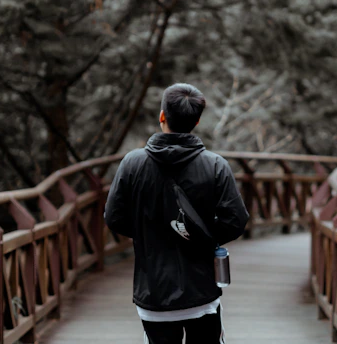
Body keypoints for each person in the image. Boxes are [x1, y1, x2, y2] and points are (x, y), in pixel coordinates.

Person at [104, 83, 249, 344]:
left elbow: (114, 216)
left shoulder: (132, 163)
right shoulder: (215, 165)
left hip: (153, 292)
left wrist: (148, 234)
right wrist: (200, 236)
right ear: (197, 120)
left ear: (162, 116)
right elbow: (236, 220)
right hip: (201, 291)